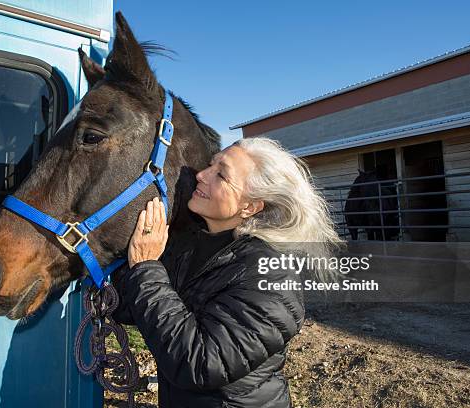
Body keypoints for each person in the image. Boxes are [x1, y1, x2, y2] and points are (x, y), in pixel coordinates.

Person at [113, 137, 343, 407]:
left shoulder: (271, 278)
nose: (201, 175)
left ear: (250, 206)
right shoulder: (188, 245)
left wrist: (144, 268)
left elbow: (199, 364)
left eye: (220, 175)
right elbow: (138, 309)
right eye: (210, 165)